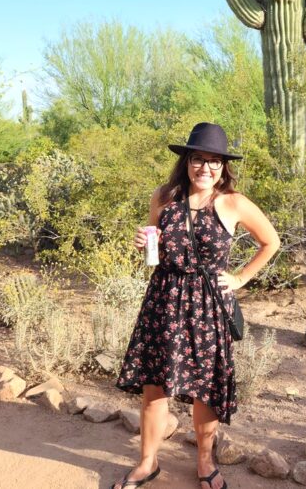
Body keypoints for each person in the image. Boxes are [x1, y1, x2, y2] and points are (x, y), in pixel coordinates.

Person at [113, 122, 281, 489]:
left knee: (205, 388)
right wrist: (144, 245)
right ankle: (147, 463)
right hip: (164, 300)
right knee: (154, 386)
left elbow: (271, 242)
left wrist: (239, 278)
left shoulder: (233, 203)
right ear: (186, 161)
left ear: (223, 166)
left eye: (214, 161)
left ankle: (205, 464)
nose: (205, 168)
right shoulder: (163, 196)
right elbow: (154, 257)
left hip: (207, 307)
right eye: (198, 159)